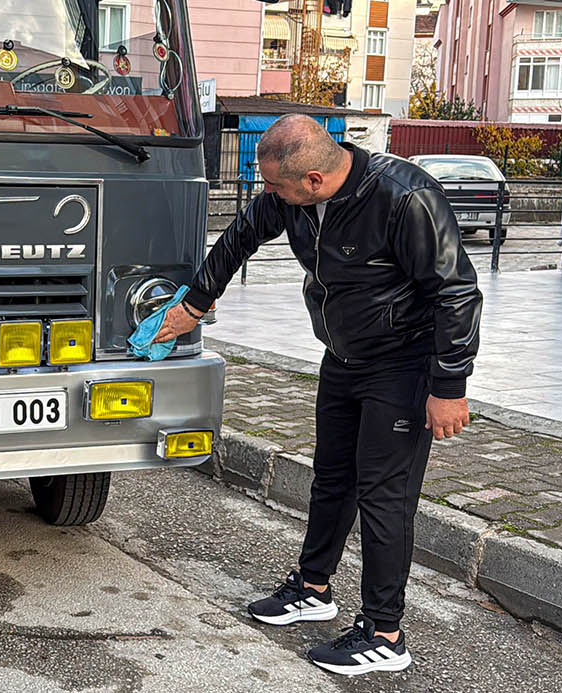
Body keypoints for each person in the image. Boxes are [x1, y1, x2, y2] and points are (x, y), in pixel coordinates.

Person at [156, 114, 482, 675]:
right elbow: (239, 236)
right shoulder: (292, 197)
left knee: (384, 496)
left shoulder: (404, 198)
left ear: (312, 179)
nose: (268, 196)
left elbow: (456, 292)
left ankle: (385, 634)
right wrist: (196, 302)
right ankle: (313, 588)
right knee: (332, 476)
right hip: (344, 358)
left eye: (276, 187)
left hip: (403, 366)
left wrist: (449, 385)